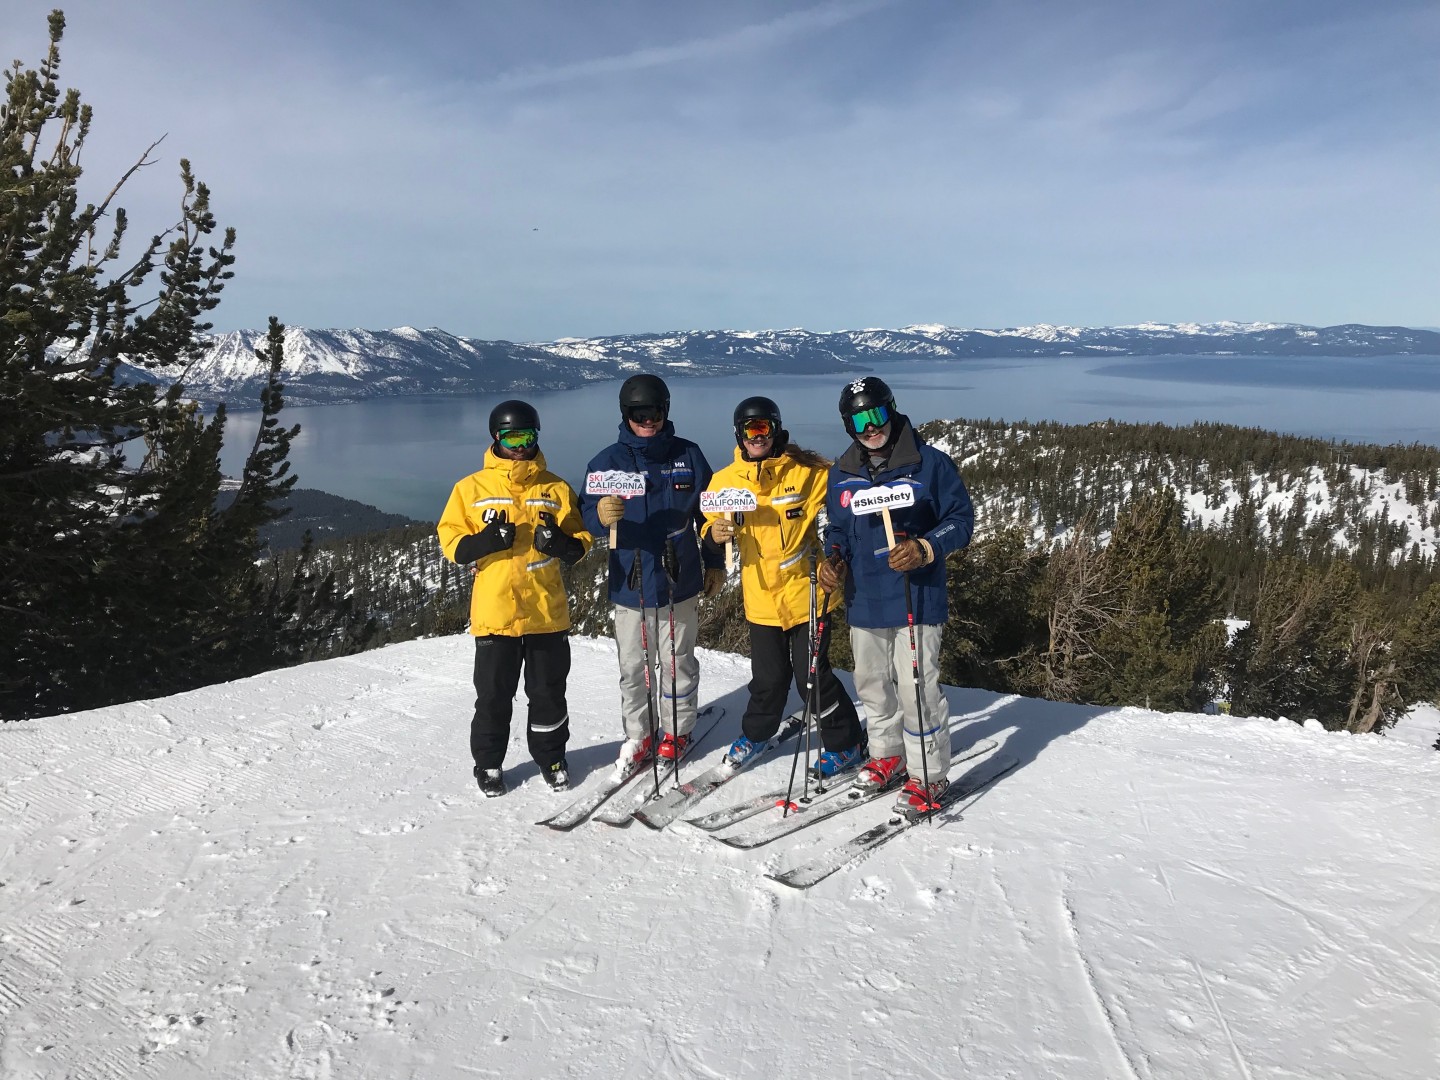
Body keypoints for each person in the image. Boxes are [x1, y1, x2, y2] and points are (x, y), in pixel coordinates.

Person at [819, 376, 975, 813]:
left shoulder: (930, 465)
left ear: (891, 409)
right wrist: (834, 559)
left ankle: (928, 773)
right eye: (858, 420)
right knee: (871, 685)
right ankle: (887, 755)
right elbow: (836, 529)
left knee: (916, 688)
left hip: (915, 596)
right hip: (863, 598)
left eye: (877, 415)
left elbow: (961, 520)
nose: (871, 428)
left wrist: (926, 547)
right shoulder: (842, 473)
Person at [701, 396, 865, 776]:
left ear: (775, 430)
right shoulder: (724, 482)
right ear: (739, 435)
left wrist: (839, 555)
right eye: (749, 430)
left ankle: (846, 744)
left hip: (808, 593)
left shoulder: (804, 472)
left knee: (812, 679)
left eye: (764, 428)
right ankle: (757, 735)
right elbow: (708, 524)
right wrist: (714, 534)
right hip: (761, 599)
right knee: (768, 679)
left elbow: (846, 488)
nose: (757, 436)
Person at [437, 400, 592, 798]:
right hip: (496, 613)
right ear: (496, 438)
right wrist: (483, 542)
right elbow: (451, 543)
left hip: (545, 612)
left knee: (548, 694)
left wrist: (561, 543)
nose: (519, 445)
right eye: (511, 437)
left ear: (536, 436)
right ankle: (489, 763)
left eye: (526, 436)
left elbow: (582, 542)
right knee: (492, 696)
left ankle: (552, 759)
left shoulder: (555, 488)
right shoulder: (470, 488)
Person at [580, 374, 724, 776]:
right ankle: (639, 735)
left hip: (680, 581)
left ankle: (677, 731)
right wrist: (599, 516)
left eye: (655, 413)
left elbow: (710, 514)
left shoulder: (688, 456)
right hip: (632, 581)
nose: (649, 421)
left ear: (666, 411)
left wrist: (715, 562)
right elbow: (586, 512)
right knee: (634, 668)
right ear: (626, 415)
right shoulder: (607, 462)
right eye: (640, 414)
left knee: (677, 663)